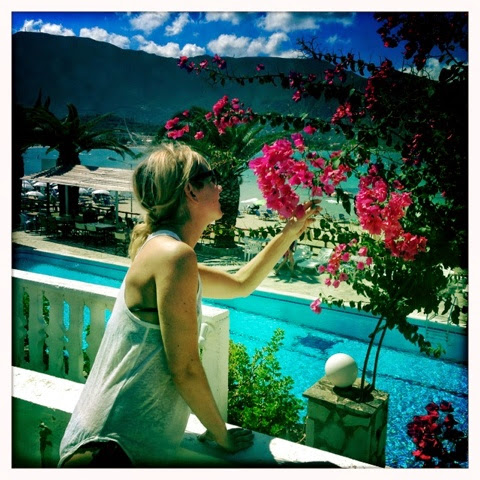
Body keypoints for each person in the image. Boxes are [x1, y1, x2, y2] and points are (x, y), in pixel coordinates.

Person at [58, 143, 320, 468]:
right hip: (112, 449)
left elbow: (241, 284)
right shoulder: (174, 256)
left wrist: (289, 232)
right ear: (191, 191)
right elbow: (185, 368)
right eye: (212, 178)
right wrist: (221, 435)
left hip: (109, 442)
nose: (220, 186)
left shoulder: (165, 251)